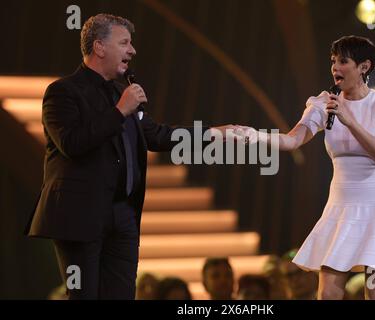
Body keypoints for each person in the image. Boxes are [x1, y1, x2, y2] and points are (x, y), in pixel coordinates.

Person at [24, 13, 236, 300]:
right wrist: (119, 111)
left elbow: (157, 136)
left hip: (123, 216)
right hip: (80, 218)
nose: (132, 51)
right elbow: (72, 143)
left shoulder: (121, 93)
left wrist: (213, 133)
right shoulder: (63, 92)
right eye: (124, 43)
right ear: (99, 47)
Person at [235, 35, 375, 299]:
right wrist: (253, 135)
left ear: (364, 67)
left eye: (343, 61)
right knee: (328, 292)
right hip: (341, 206)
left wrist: (349, 119)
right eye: (333, 61)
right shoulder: (324, 103)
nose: (335, 67)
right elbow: (292, 140)